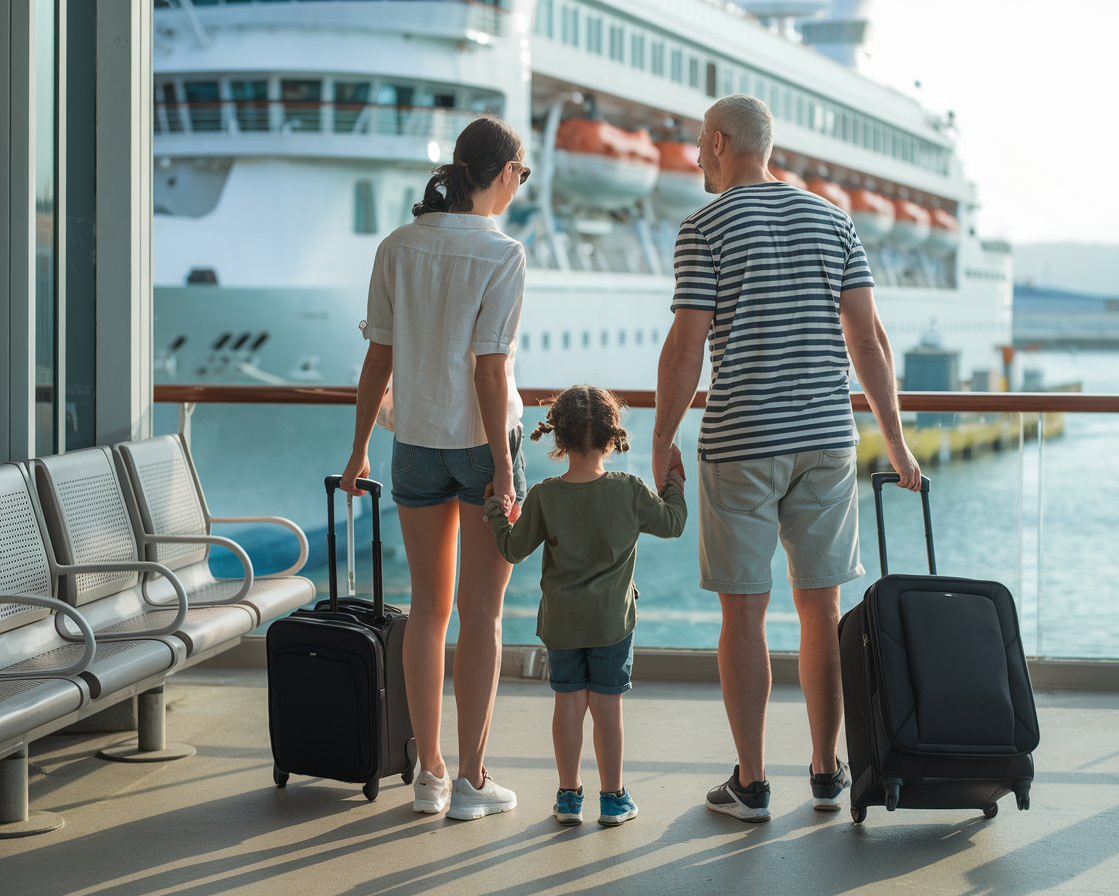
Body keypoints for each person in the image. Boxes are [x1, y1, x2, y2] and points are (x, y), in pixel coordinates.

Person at [650, 95, 922, 824]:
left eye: (700, 146)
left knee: (744, 614)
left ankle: (752, 783)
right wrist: (895, 441)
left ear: (717, 143)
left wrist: (660, 437)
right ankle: (828, 771)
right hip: (829, 440)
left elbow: (685, 347)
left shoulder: (703, 226)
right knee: (822, 607)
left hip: (741, 441)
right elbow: (869, 341)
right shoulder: (834, 219)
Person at [340, 115, 532, 822]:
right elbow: (491, 370)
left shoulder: (398, 246)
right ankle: (474, 782)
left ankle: (430, 775)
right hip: (484, 446)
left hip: (414, 441)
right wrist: (506, 477)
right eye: (522, 173)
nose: (520, 185)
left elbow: (377, 363)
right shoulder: (503, 254)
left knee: (429, 609)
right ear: (505, 171)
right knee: (482, 612)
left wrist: (359, 449)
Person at [482, 386, 687, 826]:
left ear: (558, 437)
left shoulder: (544, 495)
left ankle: (569, 797)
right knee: (608, 707)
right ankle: (613, 799)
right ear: (613, 438)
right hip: (613, 621)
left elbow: (513, 550)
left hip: (562, 622)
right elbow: (673, 524)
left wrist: (496, 513)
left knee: (568, 703)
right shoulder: (629, 490)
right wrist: (675, 482)